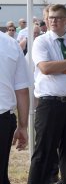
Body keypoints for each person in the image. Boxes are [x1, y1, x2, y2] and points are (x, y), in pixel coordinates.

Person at [28, 4, 66, 184]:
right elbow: (45, 68)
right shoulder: (41, 41)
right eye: (50, 18)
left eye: (57, 18)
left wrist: (59, 67)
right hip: (50, 105)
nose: (53, 21)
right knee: (44, 154)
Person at [0, 31, 31, 184]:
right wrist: (23, 126)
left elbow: (22, 90)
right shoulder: (11, 44)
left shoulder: (12, 44)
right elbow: (22, 90)